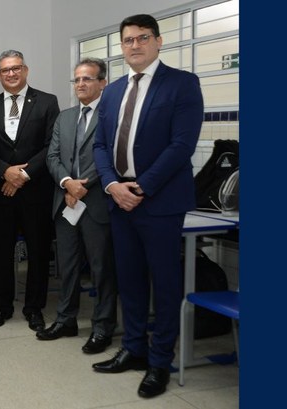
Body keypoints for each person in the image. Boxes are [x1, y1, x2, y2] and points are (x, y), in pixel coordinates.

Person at [91, 14, 204, 399]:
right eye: (127, 40)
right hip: (119, 200)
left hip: (159, 202)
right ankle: (134, 348)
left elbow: (182, 146)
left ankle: (159, 362)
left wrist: (141, 187)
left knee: (165, 284)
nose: (134, 45)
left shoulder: (182, 84)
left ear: (158, 41)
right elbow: (101, 146)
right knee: (130, 280)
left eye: (142, 38)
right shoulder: (112, 90)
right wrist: (110, 184)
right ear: (121, 46)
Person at [0, 50, 60, 331]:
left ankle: (34, 307)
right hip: (2, 191)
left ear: (25, 70)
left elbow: (52, 145)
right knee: (0, 252)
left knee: (38, 251)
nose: (10, 74)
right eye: (4, 70)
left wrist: (23, 174)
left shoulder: (48, 102)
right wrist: (6, 172)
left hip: (36, 191)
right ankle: (1, 307)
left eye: (15, 68)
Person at [42, 58, 117, 353]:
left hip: (96, 201)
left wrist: (81, 186)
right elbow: (53, 157)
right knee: (68, 266)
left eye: (87, 79)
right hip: (66, 202)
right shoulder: (65, 116)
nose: (81, 84)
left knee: (102, 268)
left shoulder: (112, 116)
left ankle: (103, 326)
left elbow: (111, 157)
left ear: (103, 83)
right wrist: (66, 184)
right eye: (77, 80)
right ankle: (66, 319)